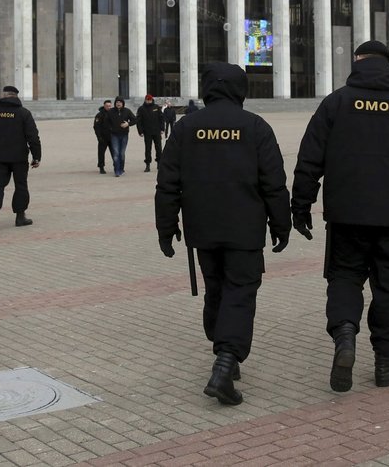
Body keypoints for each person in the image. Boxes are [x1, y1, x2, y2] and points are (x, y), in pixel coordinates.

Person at [291, 40, 389, 394]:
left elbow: (309, 160)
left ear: (358, 61)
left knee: (345, 278)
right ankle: (384, 362)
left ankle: (345, 335)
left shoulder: (337, 103)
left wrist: (300, 208)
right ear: (388, 65)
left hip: (346, 216)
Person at [156, 62, 291, 406]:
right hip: (244, 230)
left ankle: (221, 349)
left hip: (203, 229)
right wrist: (281, 224)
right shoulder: (256, 126)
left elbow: (168, 184)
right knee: (240, 293)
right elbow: (273, 183)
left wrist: (167, 227)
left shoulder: (187, 127)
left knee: (216, 288)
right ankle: (226, 361)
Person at [0, 85, 41, 230]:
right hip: (19, 158)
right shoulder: (23, 113)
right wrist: (36, 156)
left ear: (4, 95)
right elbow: (33, 137)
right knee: (20, 185)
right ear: (16, 96)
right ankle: (20, 217)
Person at [106, 96, 137, 177]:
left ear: (123, 103)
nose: (118, 104)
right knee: (116, 153)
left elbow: (135, 120)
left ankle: (121, 168)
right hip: (114, 135)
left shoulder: (127, 111)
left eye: (120, 102)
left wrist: (128, 124)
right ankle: (117, 170)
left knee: (122, 153)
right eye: (117, 102)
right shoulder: (111, 111)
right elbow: (106, 122)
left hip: (124, 135)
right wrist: (111, 128)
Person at [136, 94, 165, 172]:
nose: (148, 101)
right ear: (145, 100)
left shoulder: (156, 107)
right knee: (148, 149)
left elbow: (161, 118)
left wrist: (162, 129)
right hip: (147, 132)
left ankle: (159, 163)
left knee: (159, 148)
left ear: (152, 100)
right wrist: (140, 131)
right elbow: (139, 121)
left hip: (156, 131)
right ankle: (147, 164)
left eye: (150, 100)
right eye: (147, 100)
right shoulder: (141, 109)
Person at [93, 100, 112, 174]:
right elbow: (96, 127)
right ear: (104, 106)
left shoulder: (113, 114)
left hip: (112, 137)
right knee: (101, 153)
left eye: (110, 106)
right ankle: (101, 167)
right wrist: (99, 137)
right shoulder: (99, 115)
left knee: (114, 153)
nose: (108, 107)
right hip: (103, 138)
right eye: (107, 106)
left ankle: (116, 166)